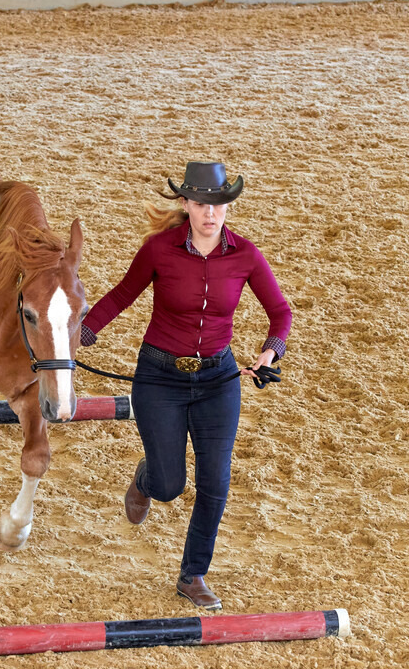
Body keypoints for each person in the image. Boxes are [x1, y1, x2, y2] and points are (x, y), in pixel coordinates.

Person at [80, 161, 292, 610]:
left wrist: (269, 354)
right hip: (159, 378)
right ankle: (147, 479)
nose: (209, 214)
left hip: (219, 380)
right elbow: (122, 295)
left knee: (215, 482)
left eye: (218, 205)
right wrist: (82, 333)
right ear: (186, 204)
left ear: (228, 205)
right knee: (169, 485)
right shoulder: (159, 250)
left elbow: (280, 312)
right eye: (200, 204)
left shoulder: (246, 255)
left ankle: (193, 574)